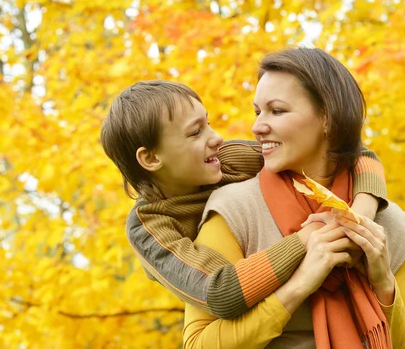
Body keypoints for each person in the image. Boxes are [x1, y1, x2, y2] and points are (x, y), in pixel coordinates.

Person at [183, 48, 405, 348]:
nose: (257, 126)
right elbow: (197, 344)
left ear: (327, 118)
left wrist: (384, 284)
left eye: (277, 110)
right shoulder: (235, 211)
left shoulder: (387, 223)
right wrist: (297, 287)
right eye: (258, 112)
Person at [100, 80, 389, 319]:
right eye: (195, 132)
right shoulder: (149, 228)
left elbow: (352, 155)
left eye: (208, 123)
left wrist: (359, 216)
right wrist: (308, 237)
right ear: (151, 158)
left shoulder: (227, 159)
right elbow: (220, 292)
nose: (216, 138)